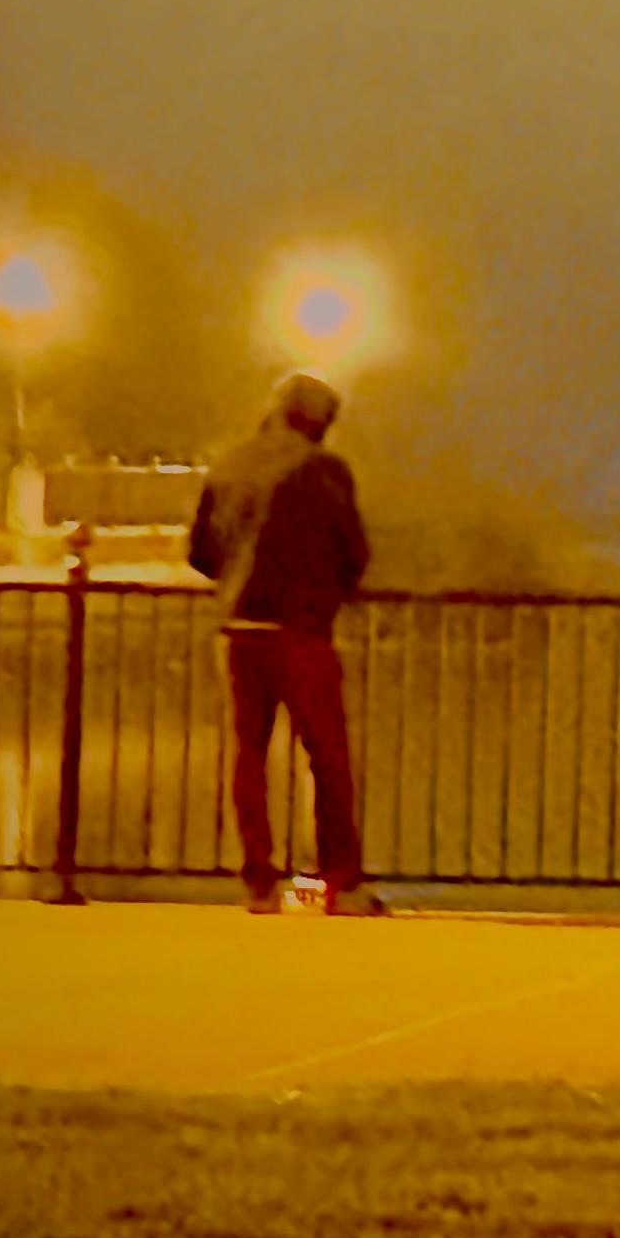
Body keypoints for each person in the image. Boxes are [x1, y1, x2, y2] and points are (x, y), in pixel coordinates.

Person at [188, 370, 383, 915]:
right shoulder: (322, 469)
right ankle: (340, 882)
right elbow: (353, 551)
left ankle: (259, 881)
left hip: (239, 628)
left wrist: (235, 582)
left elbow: (200, 552)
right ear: (320, 423)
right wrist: (332, 592)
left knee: (249, 755)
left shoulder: (228, 463)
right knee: (327, 755)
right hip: (300, 630)